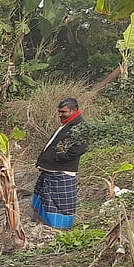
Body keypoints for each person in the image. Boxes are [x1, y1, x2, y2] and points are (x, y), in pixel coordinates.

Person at [33, 98, 88, 229]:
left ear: (74, 110)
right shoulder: (67, 124)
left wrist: (59, 158)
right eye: (59, 111)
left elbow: (80, 148)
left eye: (63, 112)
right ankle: (46, 226)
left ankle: (59, 228)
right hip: (51, 171)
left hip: (61, 173)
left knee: (61, 205)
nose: (60, 115)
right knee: (46, 201)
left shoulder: (80, 126)